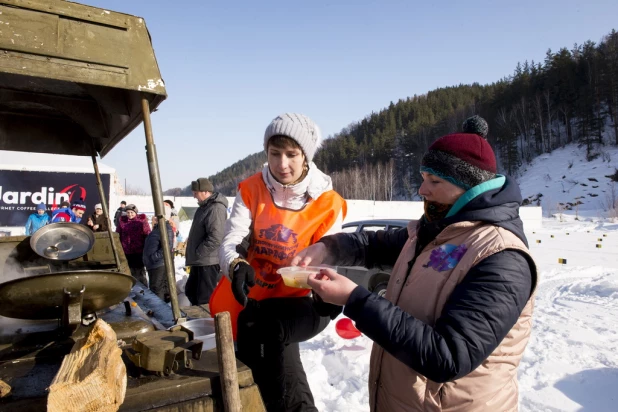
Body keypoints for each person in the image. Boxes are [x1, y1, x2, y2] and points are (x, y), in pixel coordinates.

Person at [293, 116, 537, 412]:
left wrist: (353, 299)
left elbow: (448, 355)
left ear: (469, 188)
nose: (422, 190)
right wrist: (327, 247)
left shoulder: (502, 257)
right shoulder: (433, 232)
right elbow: (373, 245)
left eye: (434, 181)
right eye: (423, 178)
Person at [210, 113, 347, 412]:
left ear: (306, 156)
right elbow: (231, 240)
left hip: (297, 303)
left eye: (291, 155)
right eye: (274, 154)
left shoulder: (328, 202)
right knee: (281, 365)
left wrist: (326, 288)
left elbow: (331, 256)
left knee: (270, 342)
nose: (281, 164)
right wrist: (235, 264)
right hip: (253, 297)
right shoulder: (251, 189)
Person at [183, 178, 228, 305]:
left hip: (208, 261)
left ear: (205, 192)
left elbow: (216, 237)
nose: (194, 196)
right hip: (200, 260)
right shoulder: (204, 207)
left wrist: (199, 252)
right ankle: (197, 320)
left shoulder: (216, 208)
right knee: (191, 291)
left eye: (195, 193)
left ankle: (207, 322)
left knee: (204, 297)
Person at [116, 204, 151, 286]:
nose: (130, 214)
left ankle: (143, 288)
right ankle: (131, 288)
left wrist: (146, 247)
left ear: (136, 213)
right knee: (129, 271)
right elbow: (118, 234)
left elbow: (147, 234)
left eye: (132, 212)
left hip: (138, 251)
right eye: (128, 212)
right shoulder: (122, 222)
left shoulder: (141, 221)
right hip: (126, 250)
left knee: (139, 271)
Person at [143, 216, 174, 301]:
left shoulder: (165, 228)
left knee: (157, 288)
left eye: (158, 217)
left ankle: (160, 310)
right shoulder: (158, 228)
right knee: (155, 288)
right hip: (153, 264)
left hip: (158, 264)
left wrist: (154, 257)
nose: (154, 218)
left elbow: (167, 247)